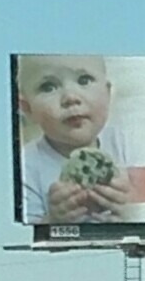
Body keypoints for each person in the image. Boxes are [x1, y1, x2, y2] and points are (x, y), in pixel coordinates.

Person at [16, 54, 134, 223]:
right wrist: (53, 220)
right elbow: (27, 231)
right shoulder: (26, 167)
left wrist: (133, 211)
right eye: (49, 87)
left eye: (84, 80)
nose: (71, 98)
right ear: (27, 109)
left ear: (107, 94)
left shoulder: (125, 142)